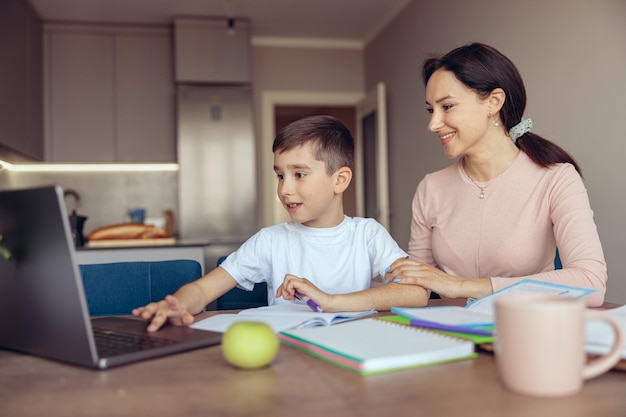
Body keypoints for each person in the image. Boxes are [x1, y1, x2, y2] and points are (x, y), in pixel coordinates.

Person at [134, 115, 428, 332]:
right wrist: (178, 304)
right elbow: (202, 291)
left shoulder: (367, 234)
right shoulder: (271, 241)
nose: (285, 189)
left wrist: (331, 301)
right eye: (280, 175)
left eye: (299, 174)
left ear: (340, 180)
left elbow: (415, 292)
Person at [386, 42, 607, 306]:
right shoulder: (430, 188)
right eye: (430, 110)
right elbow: (416, 284)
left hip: (527, 332)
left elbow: (590, 282)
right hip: (451, 337)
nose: (433, 124)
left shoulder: (556, 178)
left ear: (493, 102)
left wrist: (460, 286)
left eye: (447, 107)